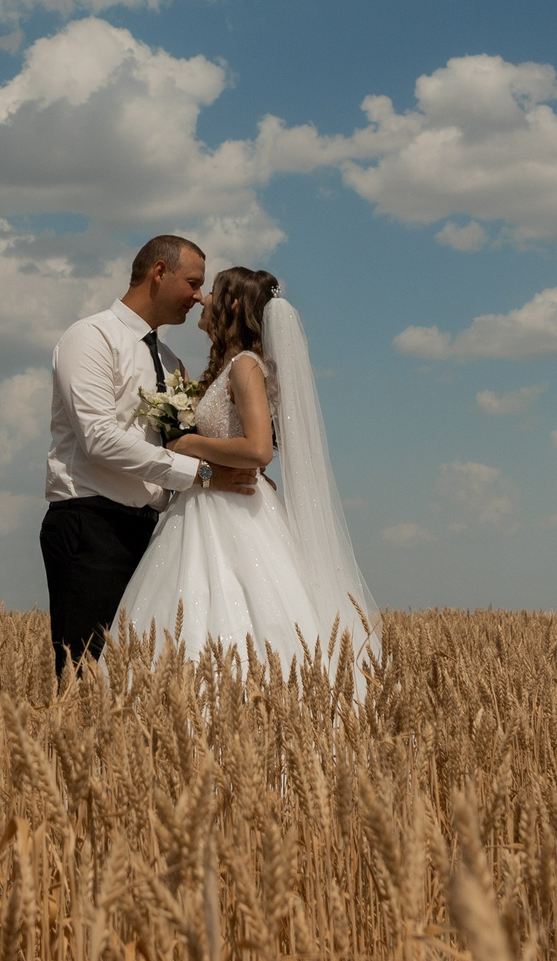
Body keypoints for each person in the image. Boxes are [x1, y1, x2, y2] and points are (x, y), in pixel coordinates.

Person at [115, 267, 380, 667]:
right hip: (205, 501)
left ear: (234, 303)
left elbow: (258, 450)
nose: (202, 299)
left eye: (213, 291)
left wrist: (185, 443)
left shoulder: (244, 365)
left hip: (228, 509)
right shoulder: (231, 365)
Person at [40, 236, 258, 674]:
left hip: (155, 532)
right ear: (159, 273)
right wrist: (201, 474)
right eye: (193, 283)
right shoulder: (91, 338)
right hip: (92, 526)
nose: (200, 298)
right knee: (86, 673)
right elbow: (98, 438)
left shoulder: (170, 359)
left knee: (138, 674)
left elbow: (181, 438)